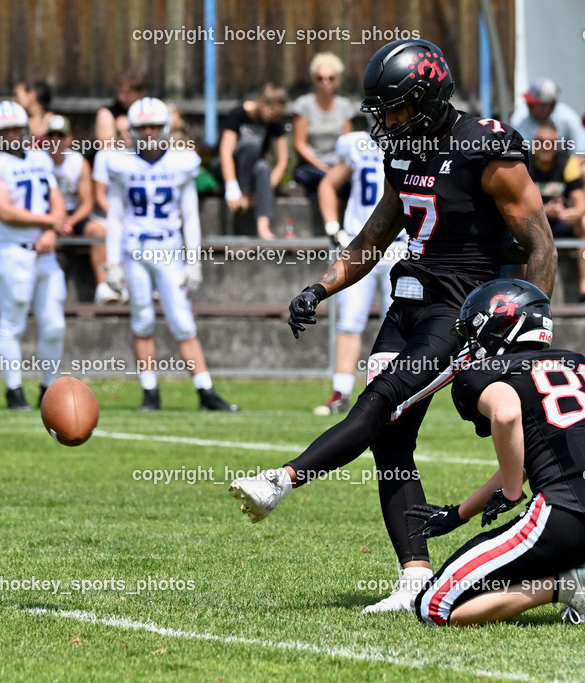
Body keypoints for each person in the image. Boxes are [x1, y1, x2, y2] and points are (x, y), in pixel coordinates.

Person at [228, 39, 557, 614]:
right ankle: (413, 578)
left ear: (429, 99)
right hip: (407, 304)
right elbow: (376, 234)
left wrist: (532, 333)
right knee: (390, 441)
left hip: (460, 311)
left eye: (398, 109)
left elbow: (540, 243)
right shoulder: (403, 151)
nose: (389, 122)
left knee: (380, 400)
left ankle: (283, 479)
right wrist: (320, 288)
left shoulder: (485, 147)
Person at [407, 278, 585, 627]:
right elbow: (531, 455)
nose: (471, 340)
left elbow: (506, 414)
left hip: (566, 518)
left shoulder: (485, 373)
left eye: (475, 329)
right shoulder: (581, 364)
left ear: (500, 326)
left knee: (432, 607)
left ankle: (563, 587)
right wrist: (459, 514)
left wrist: (512, 493)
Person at [102, 97, 238, 412]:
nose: (148, 132)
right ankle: (150, 392)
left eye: (153, 126)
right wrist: (112, 263)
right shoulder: (121, 163)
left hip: (168, 248)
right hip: (134, 248)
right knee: (142, 319)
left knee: (181, 320)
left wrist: (194, 262)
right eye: (142, 127)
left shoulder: (181, 162)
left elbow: (190, 218)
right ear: (132, 130)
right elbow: (114, 217)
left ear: (164, 127)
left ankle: (205, 390)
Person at [0, 101, 66, 409]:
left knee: (55, 325)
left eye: (15, 129)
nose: (10, 135)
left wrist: (51, 231)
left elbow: (56, 200)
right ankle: (14, 391)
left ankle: (49, 389)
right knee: (13, 323)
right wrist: (50, 222)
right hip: (12, 252)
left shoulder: (39, 158)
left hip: (45, 254)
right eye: (4, 130)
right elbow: (5, 211)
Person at [313, 129, 405, 415]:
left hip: (401, 248)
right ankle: (341, 391)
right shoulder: (358, 144)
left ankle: (397, 395)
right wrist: (333, 227)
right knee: (350, 321)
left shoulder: (415, 143)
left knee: (399, 326)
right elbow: (328, 184)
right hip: (360, 247)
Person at [43, 114, 117, 304]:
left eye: (60, 135)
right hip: (47, 216)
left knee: (97, 231)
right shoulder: (38, 162)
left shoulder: (78, 163)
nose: (55, 140)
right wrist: (54, 223)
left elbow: (87, 202)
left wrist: (69, 221)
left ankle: (103, 287)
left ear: (69, 139)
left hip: (73, 216)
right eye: (51, 135)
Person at [528, 122, 585, 305]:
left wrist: (572, 213)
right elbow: (515, 204)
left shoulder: (567, 163)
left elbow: (582, 204)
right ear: (535, 143)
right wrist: (544, 211)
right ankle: (529, 295)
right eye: (542, 142)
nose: (546, 147)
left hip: (560, 222)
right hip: (533, 222)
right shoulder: (524, 163)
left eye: (551, 143)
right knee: (524, 225)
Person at [511, 78, 585, 210]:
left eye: (532, 104)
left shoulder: (568, 117)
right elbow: (516, 154)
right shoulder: (519, 118)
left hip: (561, 170)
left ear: (546, 106)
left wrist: (565, 169)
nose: (527, 105)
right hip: (531, 170)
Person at [218, 84, 289, 240]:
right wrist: (232, 186)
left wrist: (266, 188)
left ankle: (263, 227)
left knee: (263, 167)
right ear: (262, 103)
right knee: (252, 144)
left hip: (253, 173)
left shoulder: (276, 121)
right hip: (229, 169)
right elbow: (225, 152)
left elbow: (282, 161)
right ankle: (244, 192)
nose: (273, 119)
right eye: (271, 114)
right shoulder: (238, 114)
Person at [292, 53, 355, 193]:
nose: (325, 82)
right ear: (314, 79)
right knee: (330, 182)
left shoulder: (345, 106)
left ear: (337, 80)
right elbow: (299, 145)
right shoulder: (304, 105)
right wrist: (323, 167)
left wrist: (337, 170)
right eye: (320, 78)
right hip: (310, 167)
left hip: (338, 165)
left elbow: (347, 143)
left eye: (330, 78)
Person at [95, 67, 146, 149]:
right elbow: (106, 148)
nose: (121, 97)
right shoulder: (107, 113)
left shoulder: (152, 111)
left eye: (127, 93)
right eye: (120, 92)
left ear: (141, 92)